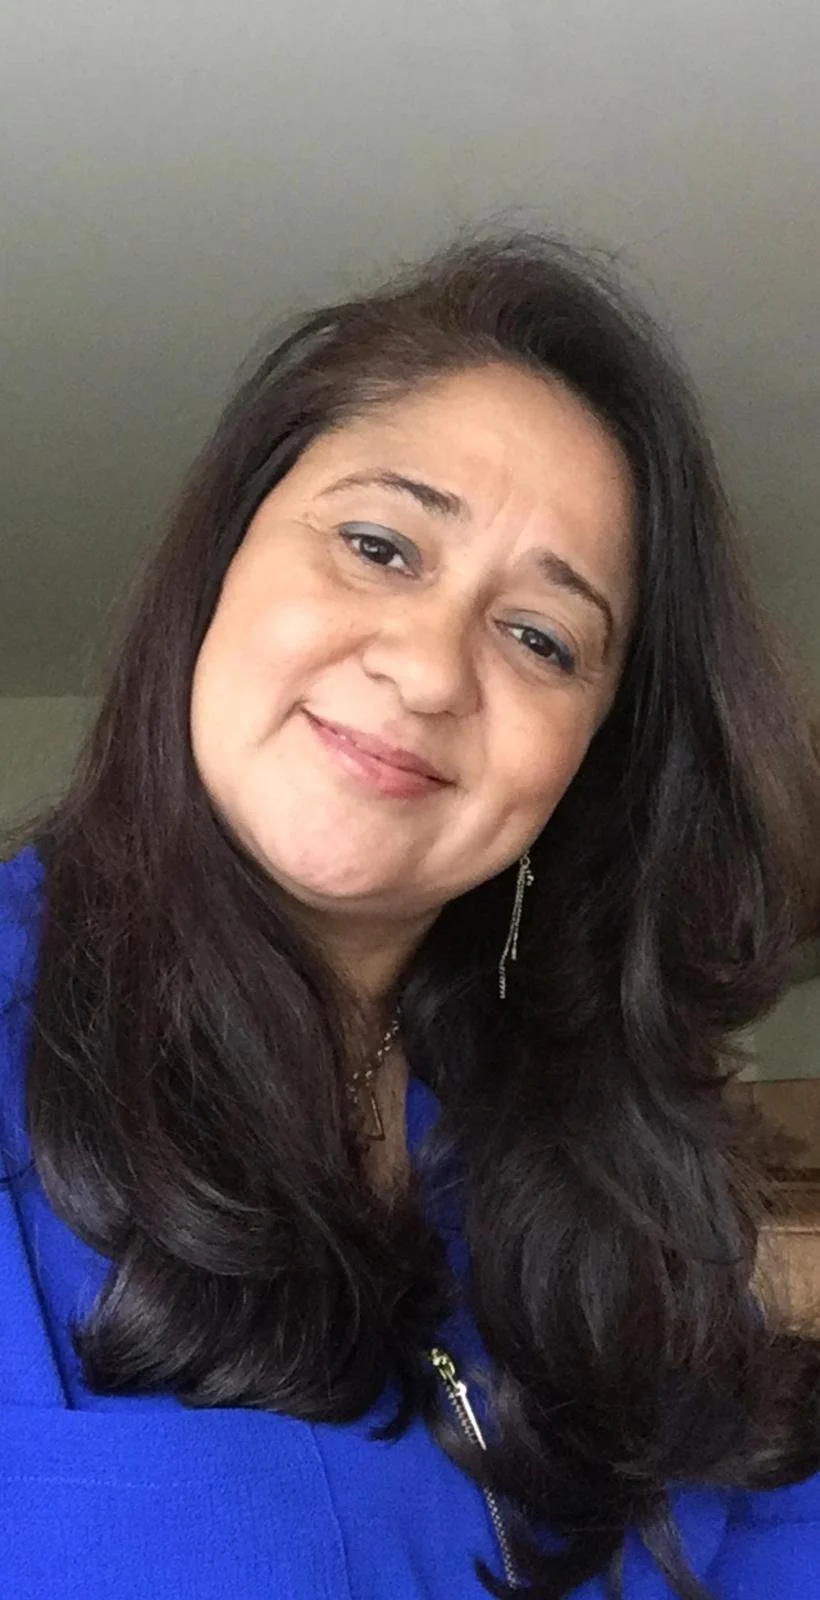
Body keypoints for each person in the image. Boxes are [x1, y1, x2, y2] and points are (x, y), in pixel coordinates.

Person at [1, 230, 819, 1600]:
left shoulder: (598, 1160)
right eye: (380, 545)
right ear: (219, 566)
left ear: (585, 762)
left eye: (543, 639)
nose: (433, 668)